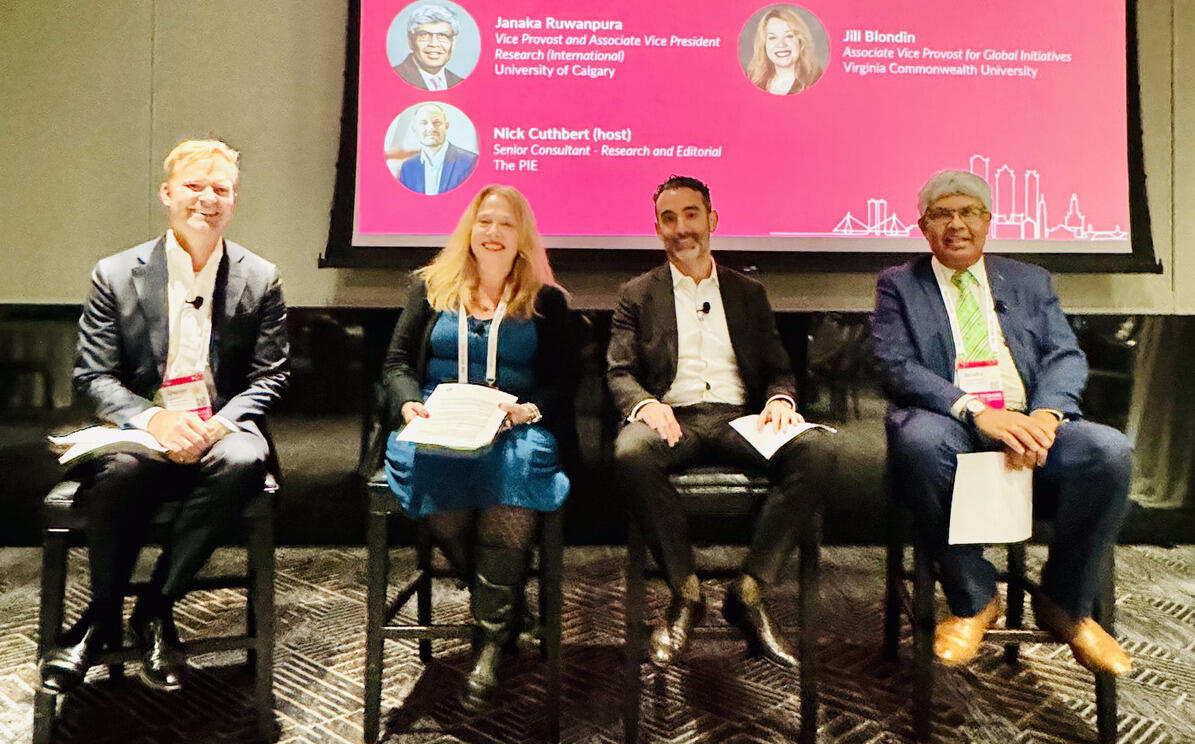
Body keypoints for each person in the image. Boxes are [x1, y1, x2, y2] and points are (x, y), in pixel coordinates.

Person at [39, 139, 289, 695]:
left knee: (244, 458)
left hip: (219, 426)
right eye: (194, 186)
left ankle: (156, 605)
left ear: (234, 200)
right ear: (167, 193)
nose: (208, 199)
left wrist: (217, 425)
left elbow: (270, 377)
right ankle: (104, 615)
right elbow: (93, 376)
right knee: (124, 471)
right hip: (143, 428)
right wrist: (155, 421)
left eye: (221, 189)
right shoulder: (115, 273)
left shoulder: (260, 276)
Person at [872, 169, 1133, 675]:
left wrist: (1045, 416)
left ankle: (1065, 604)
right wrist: (978, 411)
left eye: (968, 212)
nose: (956, 225)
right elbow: (896, 366)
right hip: (949, 419)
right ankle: (974, 598)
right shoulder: (899, 285)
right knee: (920, 443)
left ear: (988, 220)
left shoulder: (1029, 280)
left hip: (1028, 419)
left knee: (1109, 452)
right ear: (923, 227)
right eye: (942, 215)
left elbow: (1064, 355)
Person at [608, 175, 835, 669]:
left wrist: (779, 400)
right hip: (673, 418)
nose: (681, 228)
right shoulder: (637, 294)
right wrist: (645, 405)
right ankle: (686, 591)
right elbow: (620, 371)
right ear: (657, 228)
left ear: (712, 220)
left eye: (691, 215)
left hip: (739, 418)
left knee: (817, 449)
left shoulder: (747, 292)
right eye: (668, 219)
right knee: (630, 453)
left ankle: (749, 591)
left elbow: (778, 368)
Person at [382, 184, 578, 709]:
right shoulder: (431, 287)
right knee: (429, 463)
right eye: (484, 221)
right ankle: (506, 613)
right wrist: (408, 404)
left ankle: (488, 644)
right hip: (437, 420)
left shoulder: (547, 300)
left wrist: (528, 410)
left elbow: (562, 382)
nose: (493, 232)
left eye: (506, 224)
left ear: (522, 236)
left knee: (516, 468)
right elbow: (397, 363)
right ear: (470, 228)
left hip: (514, 423)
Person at [390, 103, 479, 195]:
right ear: (414, 129)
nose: (431, 128)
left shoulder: (470, 162)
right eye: (423, 123)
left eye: (437, 123)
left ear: (446, 126)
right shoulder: (408, 167)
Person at [746, 6, 824, 95]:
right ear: (764, 45)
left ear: (800, 42)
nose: (781, 44)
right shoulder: (753, 81)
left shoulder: (817, 80)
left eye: (789, 36)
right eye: (772, 38)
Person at [393, 3, 465, 90]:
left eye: (442, 35)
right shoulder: (392, 78)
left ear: (453, 42)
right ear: (410, 41)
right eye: (424, 35)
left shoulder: (460, 83)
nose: (434, 44)